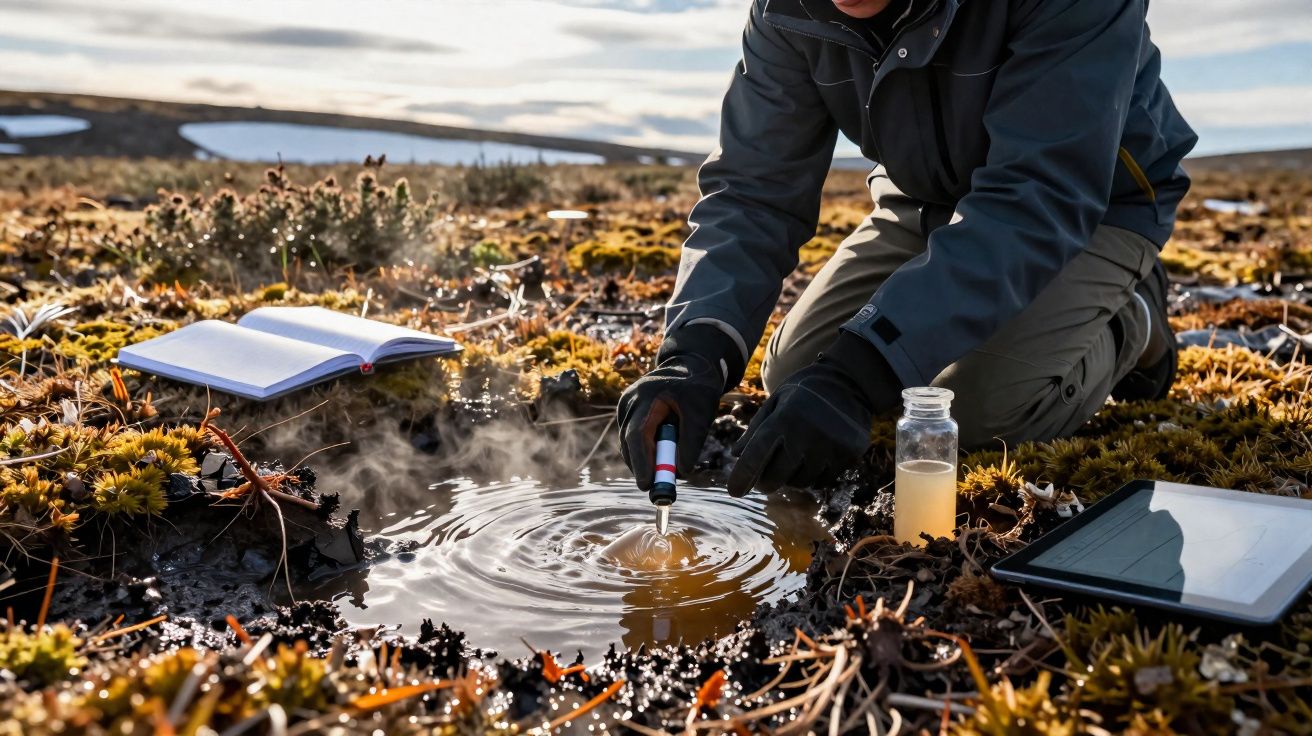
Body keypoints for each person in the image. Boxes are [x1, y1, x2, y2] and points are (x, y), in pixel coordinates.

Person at [617, 0, 1196, 497]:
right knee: (794, 373)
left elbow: (1040, 194)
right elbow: (753, 191)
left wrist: (861, 371)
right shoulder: (782, 10)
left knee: (968, 413)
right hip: (921, 195)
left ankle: (1132, 319)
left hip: (1090, 204)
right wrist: (694, 353)